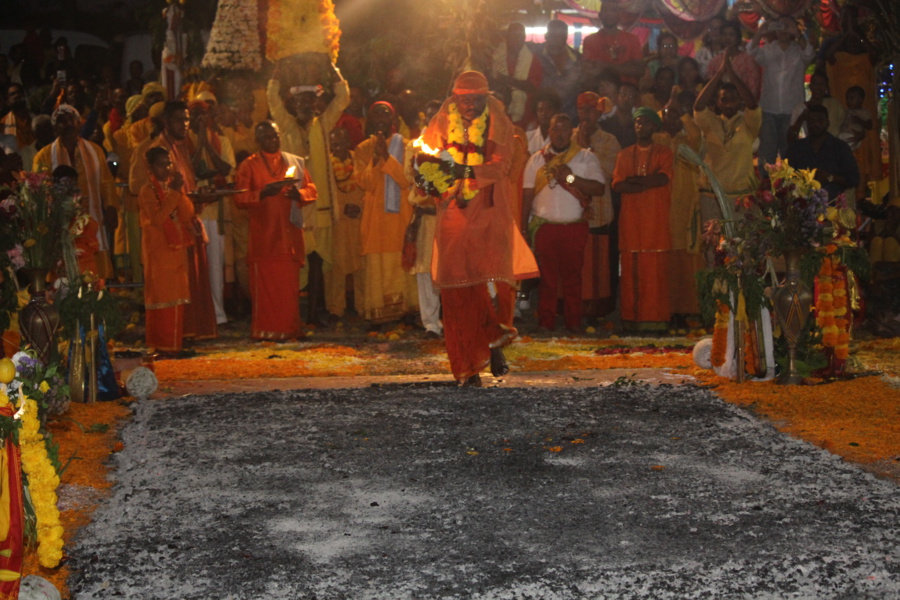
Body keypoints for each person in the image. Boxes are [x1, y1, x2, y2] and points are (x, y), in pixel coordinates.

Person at [419, 70, 539, 386]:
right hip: (453, 214)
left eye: (476, 99)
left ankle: (493, 340)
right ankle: (468, 365)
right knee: (455, 289)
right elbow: (425, 163)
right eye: (464, 99)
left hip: (489, 212)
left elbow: (501, 166)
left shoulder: (499, 121)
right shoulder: (442, 121)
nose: (470, 105)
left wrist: (465, 169)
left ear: (487, 98)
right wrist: (428, 178)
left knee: (493, 283)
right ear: (455, 98)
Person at [267, 62, 350, 327]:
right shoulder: (286, 125)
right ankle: (294, 314)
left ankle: (317, 314)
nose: (305, 106)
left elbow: (343, 98)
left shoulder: (323, 124)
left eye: (310, 101)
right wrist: (276, 75)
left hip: (322, 206)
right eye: (300, 102)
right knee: (295, 264)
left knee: (319, 262)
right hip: (296, 208)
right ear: (293, 104)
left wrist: (332, 68)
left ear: (316, 104)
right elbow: (272, 99)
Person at [522, 113, 606, 332]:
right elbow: (527, 195)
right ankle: (546, 322)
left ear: (572, 132)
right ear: (549, 132)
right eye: (555, 129)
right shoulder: (536, 159)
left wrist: (571, 179)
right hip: (544, 226)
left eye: (564, 129)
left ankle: (574, 322)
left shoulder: (585, 157)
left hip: (574, 226)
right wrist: (523, 226)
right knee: (547, 279)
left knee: (573, 277)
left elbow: (600, 189)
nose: (560, 134)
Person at [234, 121, 317, 340]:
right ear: (257, 141)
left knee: (288, 289)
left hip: (289, 236)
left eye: (275, 136)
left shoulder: (294, 162)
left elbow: (311, 189)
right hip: (264, 237)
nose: (272, 140)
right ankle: (265, 331)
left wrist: (299, 196)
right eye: (266, 137)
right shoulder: (248, 165)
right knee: (266, 287)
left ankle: (290, 329)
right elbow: (239, 197)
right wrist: (262, 193)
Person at [32, 104, 118, 279]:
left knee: (95, 273)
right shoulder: (44, 156)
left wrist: (111, 208)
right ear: (55, 128)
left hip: (92, 220)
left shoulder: (95, 151)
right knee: (64, 272)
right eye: (62, 121)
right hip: (60, 224)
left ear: (79, 124)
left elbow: (107, 183)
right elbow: (39, 192)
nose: (68, 124)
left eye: (72, 120)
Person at [353, 101, 418, 328]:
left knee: (402, 262)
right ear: (370, 120)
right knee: (378, 263)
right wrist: (376, 158)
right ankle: (380, 312)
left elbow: (407, 180)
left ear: (394, 118)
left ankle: (408, 310)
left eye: (386, 115)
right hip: (375, 218)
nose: (381, 119)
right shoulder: (362, 149)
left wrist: (388, 159)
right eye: (376, 116)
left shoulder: (409, 147)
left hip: (401, 216)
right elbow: (364, 183)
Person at [611, 107, 674, 330]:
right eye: (637, 122)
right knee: (630, 273)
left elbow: (662, 180)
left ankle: (656, 322)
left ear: (655, 127)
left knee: (655, 273)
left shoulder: (665, 153)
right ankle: (630, 320)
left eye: (645, 122)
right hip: (631, 224)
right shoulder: (624, 154)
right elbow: (619, 184)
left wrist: (634, 181)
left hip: (655, 224)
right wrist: (646, 180)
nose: (641, 126)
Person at [694, 54, 761, 251]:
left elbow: (753, 105)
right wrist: (718, 76)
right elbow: (698, 106)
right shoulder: (710, 122)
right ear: (718, 103)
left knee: (743, 250)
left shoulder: (748, 124)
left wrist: (732, 75)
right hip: (711, 197)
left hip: (741, 198)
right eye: (724, 100)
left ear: (740, 102)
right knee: (712, 251)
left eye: (733, 100)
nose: (729, 103)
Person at [138, 147, 195, 353]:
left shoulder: (172, 188)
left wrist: (179, 193)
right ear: (151, 167)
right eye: (162, 164)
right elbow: (158, 218)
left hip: (176, 251)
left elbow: (187, 214)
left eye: (169, 163)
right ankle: (161, 345)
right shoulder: (146, 191)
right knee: (162, 296)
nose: (167, 168)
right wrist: (174, 193)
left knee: (177, 297)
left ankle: (175, 344)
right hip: (158, 252)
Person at [187, 97, 236, 326]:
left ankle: (217, 314)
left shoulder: (221, 140)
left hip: (215, 211)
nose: (199, 120)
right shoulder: (183, 142)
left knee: (215, 265)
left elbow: (226, 169)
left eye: (202, 115)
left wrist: (207, 143)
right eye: (194, 115)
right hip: (193, 212)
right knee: (196, 266)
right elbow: (191, 170)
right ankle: (198, 314)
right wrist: (198, 143)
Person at [653, 102, 703, 321]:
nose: (670, 120)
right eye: (667, 117)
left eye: (675, 117)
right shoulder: (657, 141)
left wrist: (682, 113)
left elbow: (697, 133)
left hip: (686, 207)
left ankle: (691, 310)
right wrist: (662, 113)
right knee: (667, 263)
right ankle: (669, 310)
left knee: (689, 260)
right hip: (662, 211)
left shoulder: (688, 143)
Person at [572, 93, 620, 320]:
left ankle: (599, 312)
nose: (586, 115)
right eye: (582, 110)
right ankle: (573, 310)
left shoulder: (610, 141)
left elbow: (609, 172)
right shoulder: (567, 136)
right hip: (570, 211)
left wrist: (587, 147)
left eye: (591, 110)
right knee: (575, 263)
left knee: (598, 265)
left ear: (599, 114)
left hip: (599, 211)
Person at [747, 16, 814, 172]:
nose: (783, 30)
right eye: (780, 27)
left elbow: (810, 54)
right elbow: (750, 52)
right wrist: (761, 31)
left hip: (792, 110)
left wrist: (796, 33)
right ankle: (765, 190)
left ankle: (790, 191)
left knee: (790, 153)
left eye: (787, 27)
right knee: (767, 153)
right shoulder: (768, 50)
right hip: (769, 109)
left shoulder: (799, 51)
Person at [326, 127, 365, 321]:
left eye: (341, 143)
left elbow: (367, 186)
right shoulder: (325, 164)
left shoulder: (358, 160)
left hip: (358, 219)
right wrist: (340, 210)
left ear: (348, 142)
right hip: (337, 222)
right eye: (334, 145)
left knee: (361, 266)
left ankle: (363, 306)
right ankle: (335, 309)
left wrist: (360, 208)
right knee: (337, 268)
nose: (338, 148)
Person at [784, 104, 860, 203]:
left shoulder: (840, 147)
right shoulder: (796, 148)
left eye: (820, 121)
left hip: (832, 207)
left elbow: (854, 179)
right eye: (811, 121)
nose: (815, 124)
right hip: (802, 207)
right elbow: (785, 178)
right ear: (807, 124)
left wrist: (830, 177)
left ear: (827, 122)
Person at [490, 22, 543, 129]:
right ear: (507, 37)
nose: (517, 39)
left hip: (523, 119)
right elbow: (489, 80)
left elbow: (533, 87)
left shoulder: (532, 60)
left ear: (524, 38)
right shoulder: (495, 56)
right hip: (498, 115)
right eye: (514, 35)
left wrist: (508, 81)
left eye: (520, 36)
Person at [581, 3, 644, 86]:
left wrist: (606, 66)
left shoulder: (632, 40)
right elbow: (588, 71)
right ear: (600, 15)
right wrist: (624, 67)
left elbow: (640, 70)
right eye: (605, 11)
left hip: (626, 94)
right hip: (600, 93)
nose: (609, 14)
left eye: (612, 10)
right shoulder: (590, 40)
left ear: (619, 14)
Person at [536, 20, 582, 122]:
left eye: (561, 35)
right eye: (553, 35)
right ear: (546, 36)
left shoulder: (577, 59)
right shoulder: (535, 54)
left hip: (571, 119)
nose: (557, 39)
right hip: (543, 118)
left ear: (566, 37)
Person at [704, 21, 761, 100]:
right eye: (724, 34)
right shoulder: (714, 61)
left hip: (742, 106)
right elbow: (709, 88)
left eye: (731, 34)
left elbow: (753, 89)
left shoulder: (748, 60)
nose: (727, 38)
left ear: (738, 37)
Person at [788, 70, 845, 142]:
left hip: (832, 148)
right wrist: (802, 117)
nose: (818, 87)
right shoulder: (799, 108)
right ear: (810, 86)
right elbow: (791, 138)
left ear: (826, 87)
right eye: (815, 84)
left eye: (822, 84)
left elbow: (842, 124)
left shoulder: (834, 105)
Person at [527, 89, 561, 154]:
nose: (544, 113)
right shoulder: (527, 138)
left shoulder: (562, 139)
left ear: (556, 111)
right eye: (540, 110)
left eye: (548, 109)